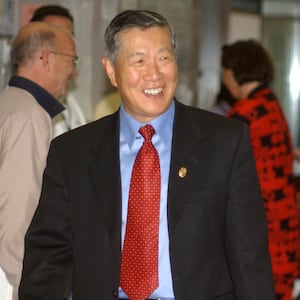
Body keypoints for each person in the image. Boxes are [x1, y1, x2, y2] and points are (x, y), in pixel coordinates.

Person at [19, 10, 276, 299]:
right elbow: (47, 258)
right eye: (139, 60)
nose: (154, 74)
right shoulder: (72, 154)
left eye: (164, 59)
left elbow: (249, 258)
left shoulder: (225, 143)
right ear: (111, 71)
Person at [0, 21, 78, 299]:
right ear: (46, 59)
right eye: (72, 60)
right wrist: (23, 284)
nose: (74, 71)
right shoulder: (29, 115)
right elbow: (19, 210)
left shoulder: (11, 102)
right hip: (8, 275)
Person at [222, 39, 299, 300]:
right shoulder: (271, 103)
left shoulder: (243, 114)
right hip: (284, 223)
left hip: (262, 228)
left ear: (232, 73)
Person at [30, 4, 87, 136]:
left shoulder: (70, 100)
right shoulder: (21, 106)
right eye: (55, 35)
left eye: (69, 35)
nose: (64, 41)